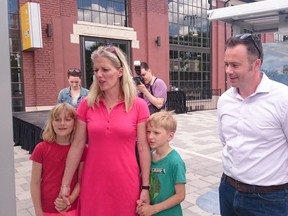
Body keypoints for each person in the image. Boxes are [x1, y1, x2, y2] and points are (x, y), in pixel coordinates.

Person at [59, 45, 151, 215]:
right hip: (93, 183)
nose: (99, 74)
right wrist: (65, 184)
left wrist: (145, 186)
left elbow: (143, 148)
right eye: (96, 70)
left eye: (105, 69)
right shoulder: (86, 104)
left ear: (120, 71)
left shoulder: (138, 106)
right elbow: (77, 145)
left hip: (126, 183)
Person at [218, 33, 288, 216]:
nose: (228, 70)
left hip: (269, 200)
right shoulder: (224, 100)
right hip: (227, 190)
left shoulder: (283, 99)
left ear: (256, 64)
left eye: (235, 65)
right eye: (226, 64)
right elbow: (226, 142)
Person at [30, 103, 87, 216]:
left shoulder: (82, 150)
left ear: (75, 123)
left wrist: (69, 200)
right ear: (51, 122)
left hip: (72, 208)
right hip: (47, 209)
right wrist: (38, 211)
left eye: (67, 119)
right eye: (57, 119)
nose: (62, 123)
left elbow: (81, 181)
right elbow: (35, 183)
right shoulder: (41, 149)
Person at [137, 111, 186, 216]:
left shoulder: (175, 161)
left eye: (156, 133)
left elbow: (180, 195)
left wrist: (153, 209)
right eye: (148, 132)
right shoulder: (148, 156)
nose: (150, 136)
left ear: (170, 136)